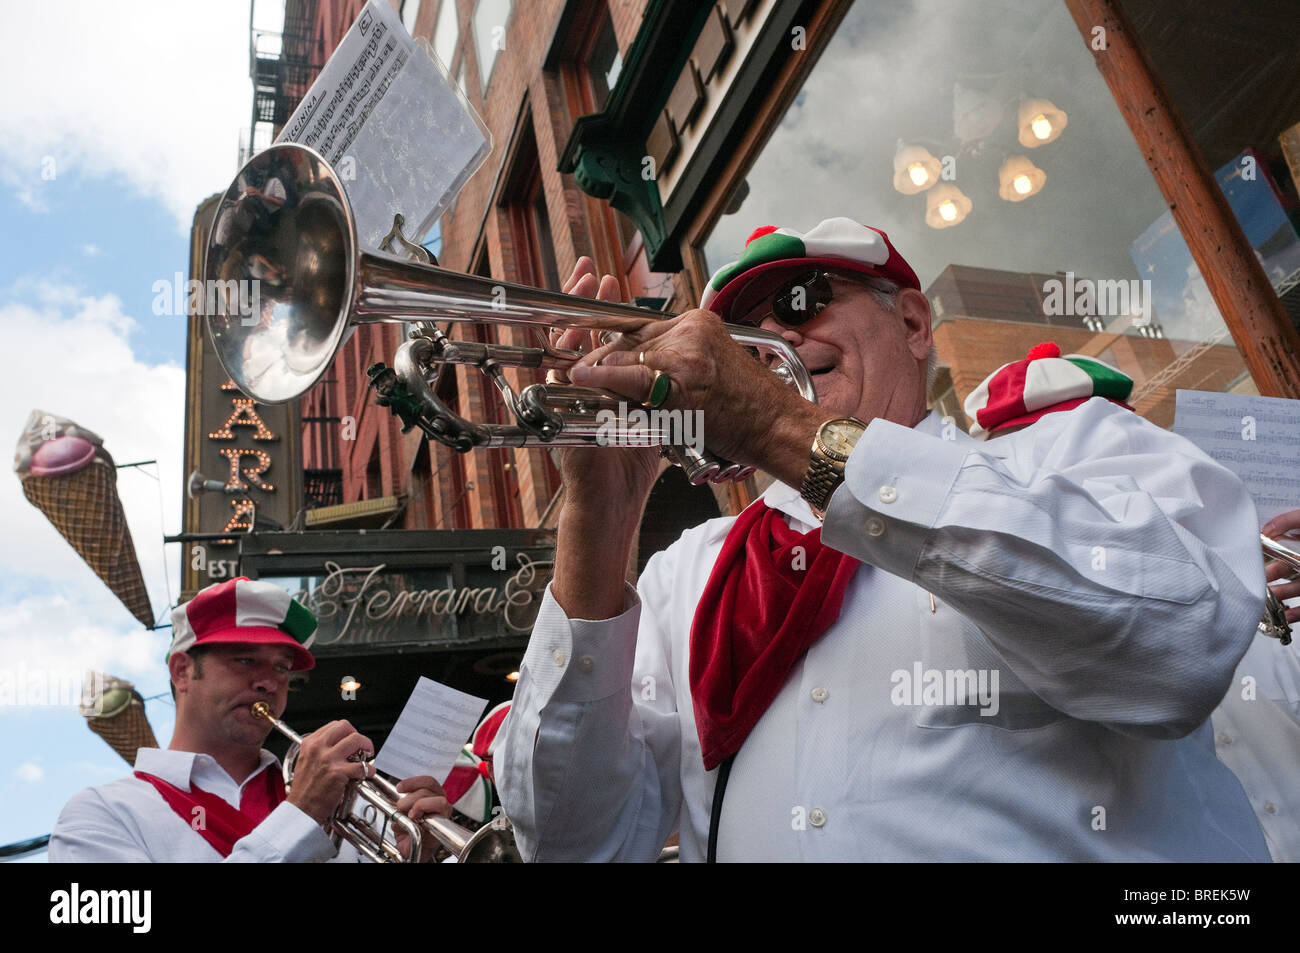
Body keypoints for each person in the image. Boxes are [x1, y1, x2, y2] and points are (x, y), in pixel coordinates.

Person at [496, 217, 1271, 861]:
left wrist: (775, 424)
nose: (767, 341)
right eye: (737, 333)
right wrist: (598, 516)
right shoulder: (687, 572)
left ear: (911, 321)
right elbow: (571, 842)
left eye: (801, 302)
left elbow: (1181, 648)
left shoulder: (1065, 449)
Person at [50, 577, 451, 862]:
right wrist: (300, 817)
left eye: (281, 667)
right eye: (244, 660)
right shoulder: (100, 814)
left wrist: (420, 857)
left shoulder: (344, 807)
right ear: (182, 671)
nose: (268, 682)